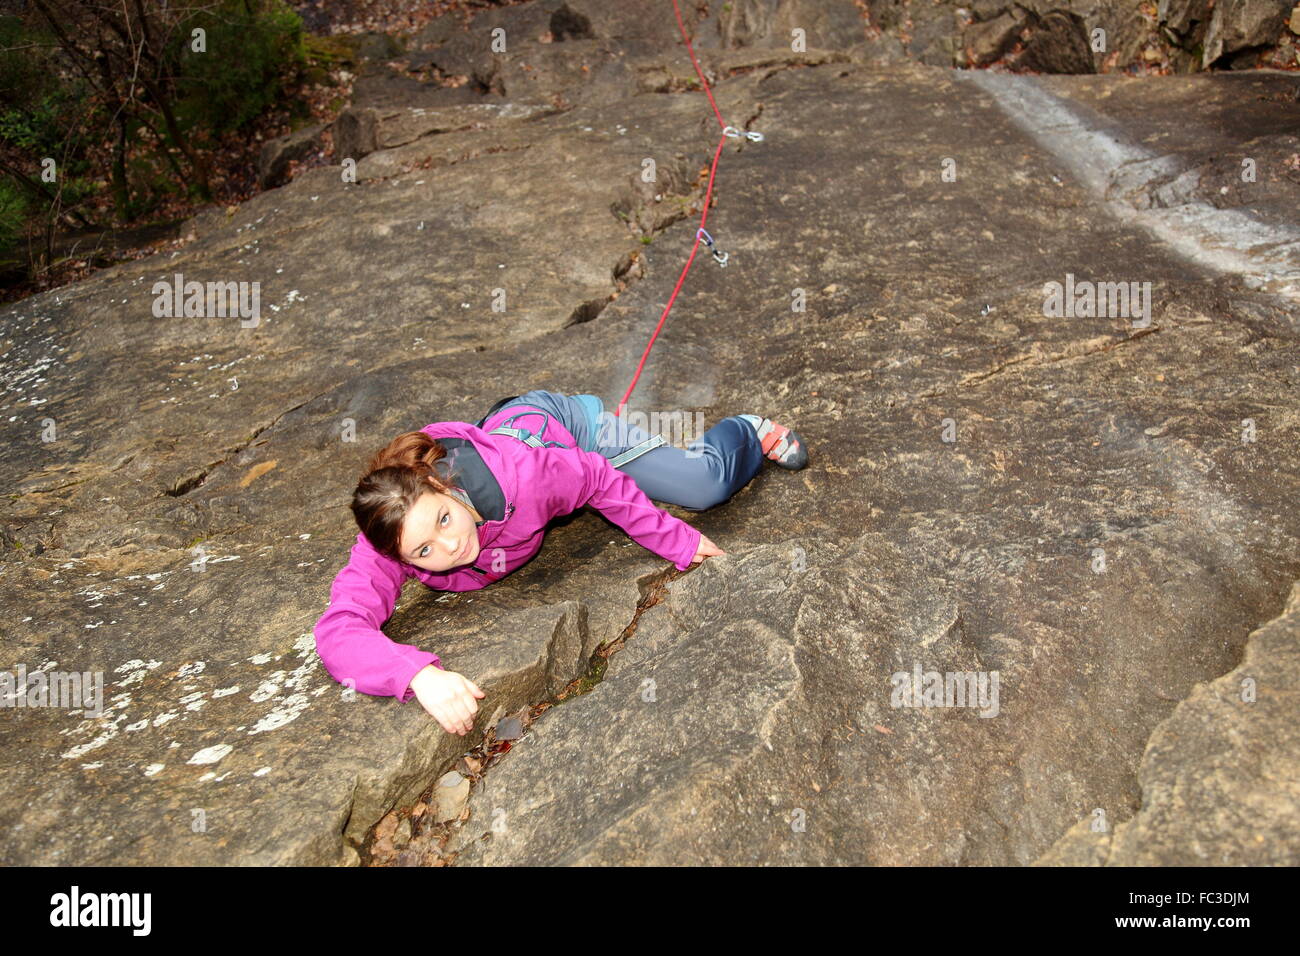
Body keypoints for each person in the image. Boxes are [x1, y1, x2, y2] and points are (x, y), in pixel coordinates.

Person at [313, 389, 808, 736]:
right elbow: (340, 629)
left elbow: (595, 477)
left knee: (704, 487)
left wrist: (674, 539)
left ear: (444, 487)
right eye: (422, 551)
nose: (448, 548)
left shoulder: (531, 478)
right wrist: (416, 675)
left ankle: (747, 429)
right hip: (508, 431)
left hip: (568, 432)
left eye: (444, 519)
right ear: (395, 553)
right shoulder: (389, 541)